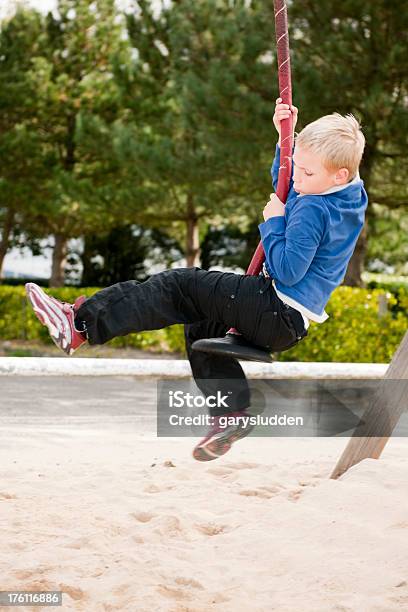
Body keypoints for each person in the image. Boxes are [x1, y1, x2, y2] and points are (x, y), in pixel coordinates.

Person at [25, 99, 368, 461]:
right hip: (286, 321)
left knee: (180, 285)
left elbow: (287, 268)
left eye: (307, 172)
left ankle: (79, 323)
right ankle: (230, 413)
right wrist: (286, 142)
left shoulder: (315, 208)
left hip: (274, 307)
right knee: (201, 326)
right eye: (297, 166)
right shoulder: (347, 193)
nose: (298, 177)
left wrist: (274, 221)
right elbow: (288, 183)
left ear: (338, 175)